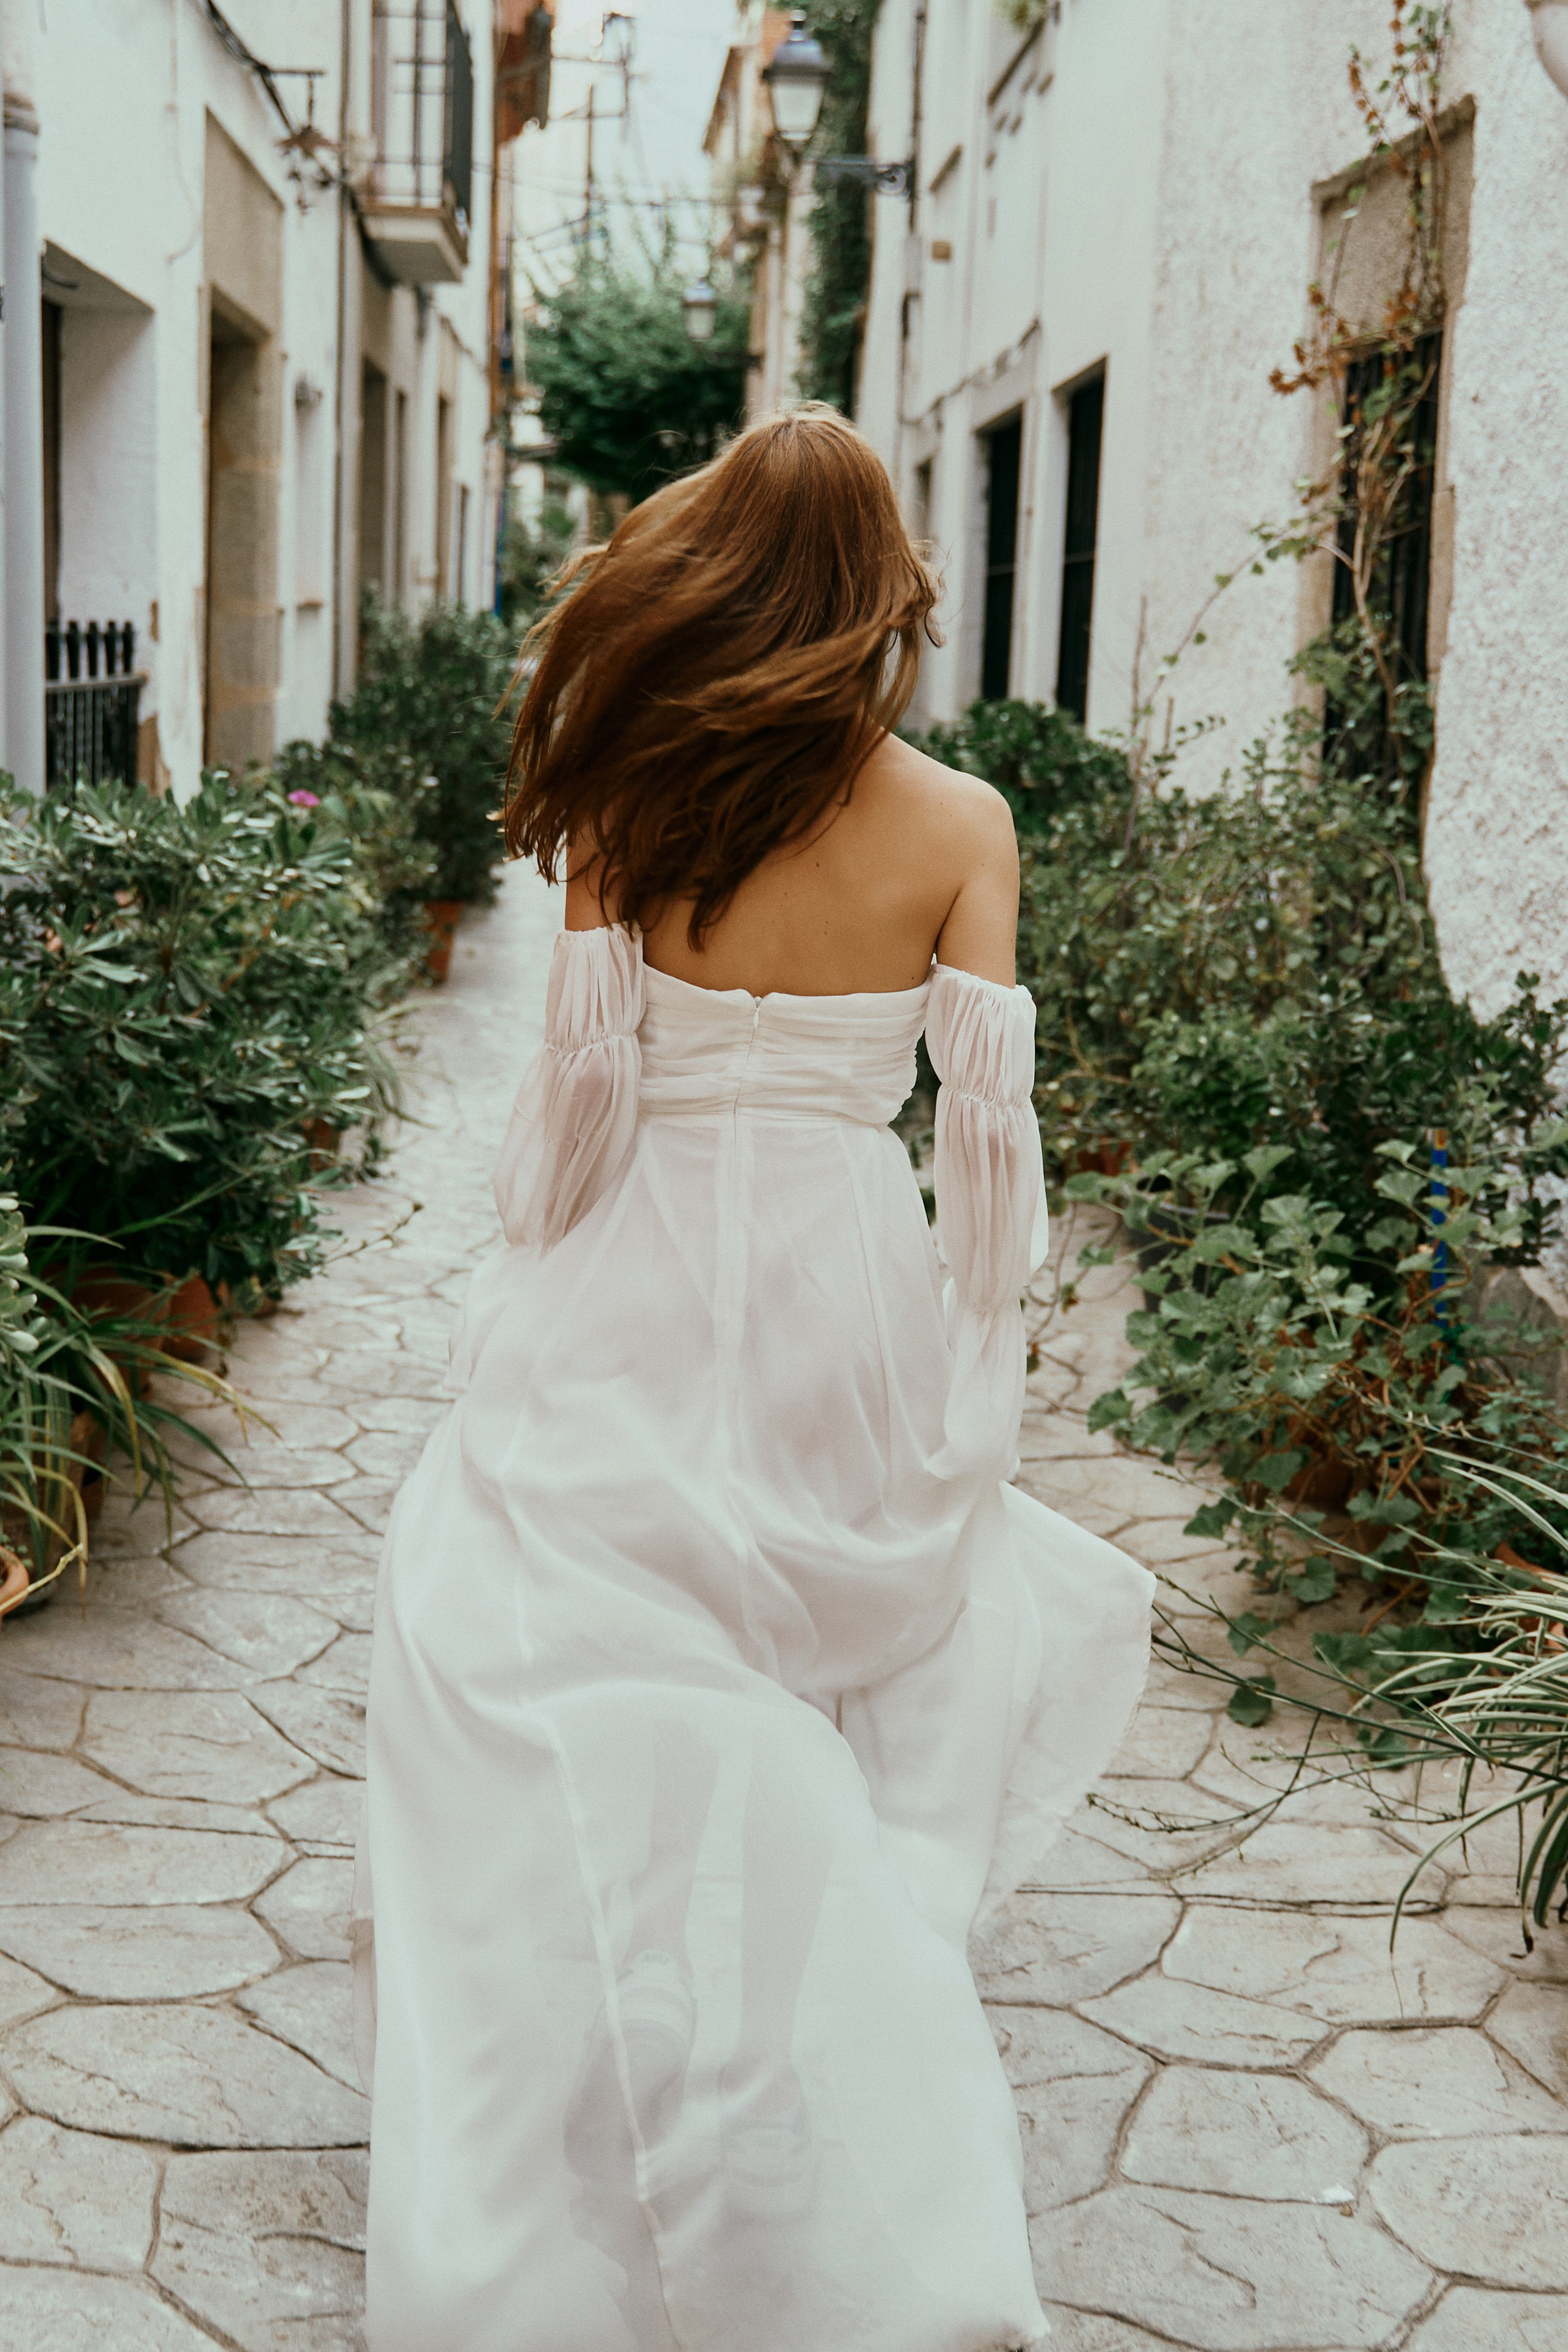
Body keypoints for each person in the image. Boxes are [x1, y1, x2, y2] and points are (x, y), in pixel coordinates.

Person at [354, 404, 1153, 2351]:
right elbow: (985, 1141)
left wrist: (535, 1276)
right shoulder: (963, 825)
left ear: (716, 573)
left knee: (591, 1647)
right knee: (820, 1676)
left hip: (636, 1261)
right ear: (884, 596)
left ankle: (604, 2060)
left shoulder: (636, 800)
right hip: (843, 1278)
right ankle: (795, 2061)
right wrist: (978, 1347)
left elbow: (578, 1094)